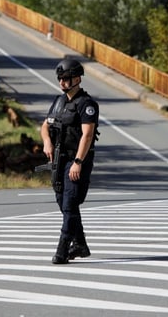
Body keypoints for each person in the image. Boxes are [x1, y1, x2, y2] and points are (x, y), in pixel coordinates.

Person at [41, 58, 99, 264]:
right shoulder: (58, 102)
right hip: (59, 158)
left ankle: (63, 249)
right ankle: (81, 244)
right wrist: (47, 142)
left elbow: (87, 135)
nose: (62, 82)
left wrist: (78, 162)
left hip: (76, 159)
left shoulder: (87, 104)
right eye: (60, 79)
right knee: (63, 202)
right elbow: (45, 126)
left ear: (77, 78)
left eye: (66, 78)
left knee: (70, 203)